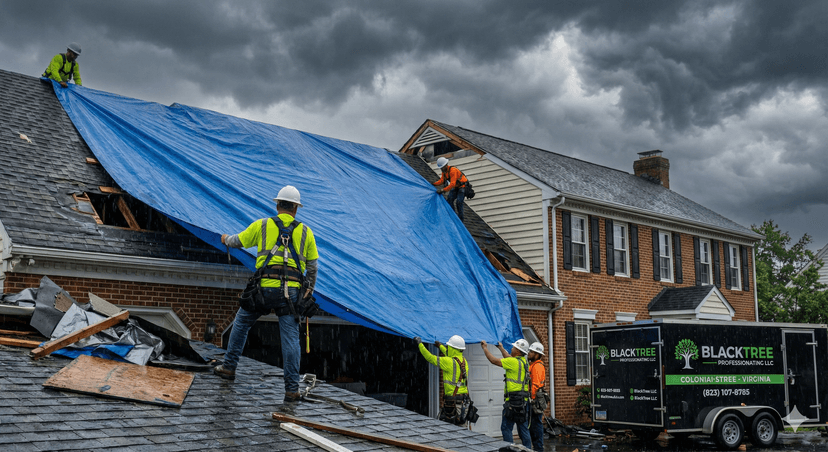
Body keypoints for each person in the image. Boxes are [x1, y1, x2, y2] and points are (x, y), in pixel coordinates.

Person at [214, 185, 318, 403]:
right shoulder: (307, 233)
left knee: (241, 324)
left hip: (263, 288)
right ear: (296, 209)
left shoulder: (262, 225)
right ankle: (291, 389)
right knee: (290, 340)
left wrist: (224, 239)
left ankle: (229, 367)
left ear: (278, 205)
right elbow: (313, 268)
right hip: (290, 294)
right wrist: (308, 292)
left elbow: (237, 241)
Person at [481, 338, 531, 448]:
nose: (512, 349)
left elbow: (493, 360)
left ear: (518, 351)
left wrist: (485, 348)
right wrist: (501, 348)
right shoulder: (523, 362)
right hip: (523, 402)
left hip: (513, 402)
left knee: (506, 427)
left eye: (513, 348)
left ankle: (510, 449)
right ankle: (528, 450)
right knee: (523, 428)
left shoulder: (513, 362)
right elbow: (509, 358)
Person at [414, 335, 470, 425]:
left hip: (452, 403)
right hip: (462, 402)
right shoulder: (463, 361)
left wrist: (420, 344)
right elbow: (450, 354)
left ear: (452, 348)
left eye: (449, 347)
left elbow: (430, 357)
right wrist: (440, 346)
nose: (447, 348)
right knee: (461, 428)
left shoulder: (448, 362)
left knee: (449, 428)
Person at [432, 157, 468, 223]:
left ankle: (461, 220)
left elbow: (452, 184)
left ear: (446, 165)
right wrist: (433, 184)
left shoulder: (453, 170)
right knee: (449, 199)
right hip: (455, 187)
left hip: (462, 187)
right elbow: (442, 181)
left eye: (442, 167)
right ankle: (453, 216)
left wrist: (443, 190)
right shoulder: (444, 172)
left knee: (459, 202)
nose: (441, 169)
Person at [528, 342, 547, 452]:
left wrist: (532, 399)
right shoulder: (532, 365)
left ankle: (538, 448)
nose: (529, 353)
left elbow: (535, 384)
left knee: (536, 424)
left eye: (532, 352)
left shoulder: (537, 366)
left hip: (535, 400)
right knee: (533, 424)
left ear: (537, 354)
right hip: (534, 399)